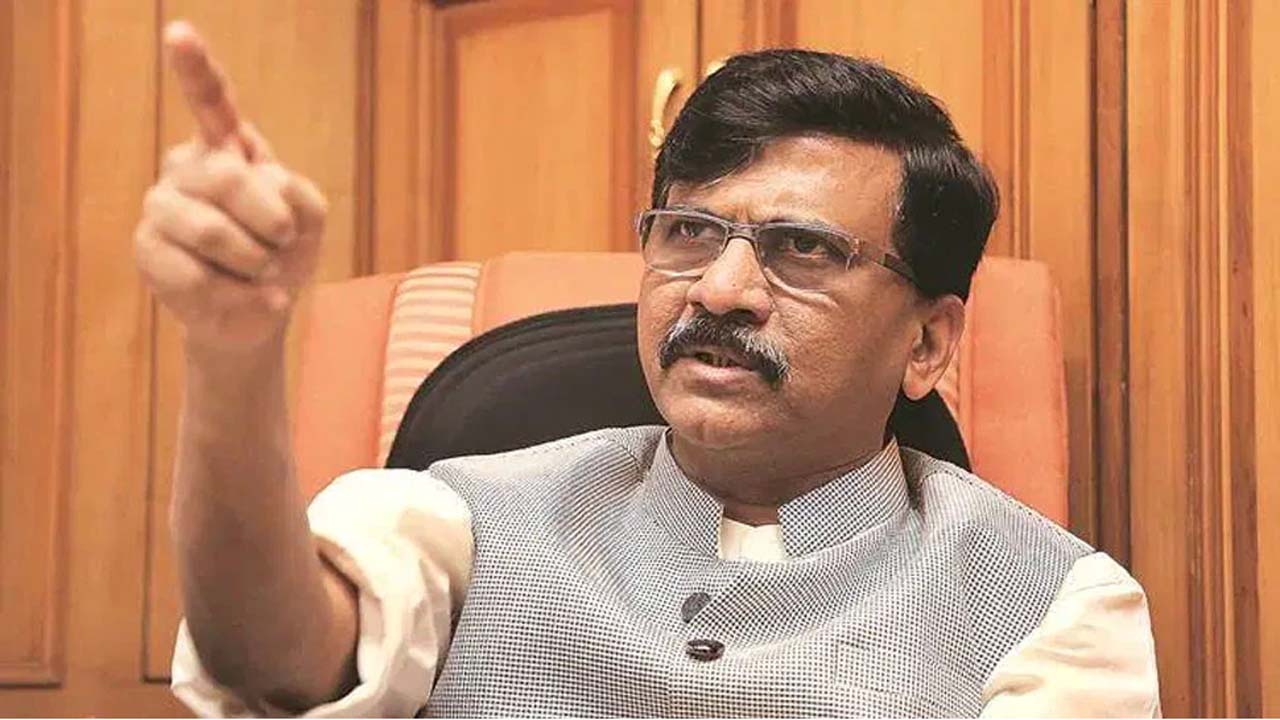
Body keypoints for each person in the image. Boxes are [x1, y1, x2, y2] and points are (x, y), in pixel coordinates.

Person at [135, 21, 1160, 718]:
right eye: (688, 231)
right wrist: (233, 354)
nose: (719, 287)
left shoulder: (1057, 607)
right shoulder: (454, 521)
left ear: (926, 344)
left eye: (803, 249)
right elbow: (266, 659)